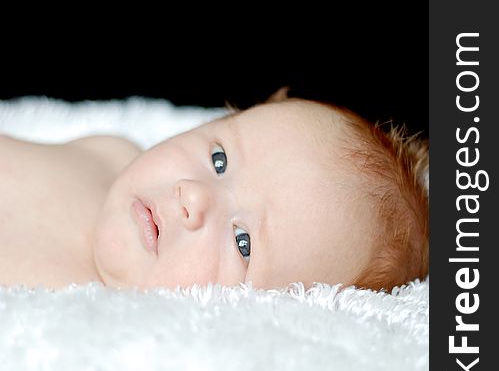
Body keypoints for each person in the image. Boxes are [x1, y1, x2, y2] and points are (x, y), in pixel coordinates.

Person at [0, 91, 428, 292]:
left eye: (243, 243)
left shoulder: (79, 310)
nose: (193, 197)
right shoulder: (109, 154)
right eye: (219, 160)